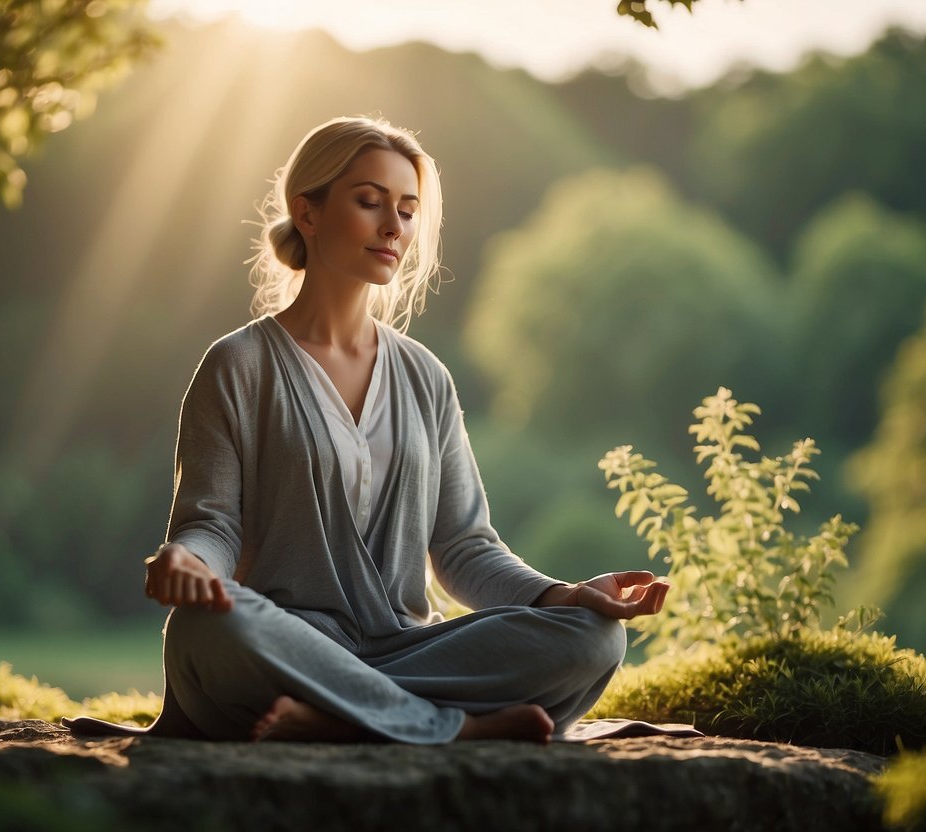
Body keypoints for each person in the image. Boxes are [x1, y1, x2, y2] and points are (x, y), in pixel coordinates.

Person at [141, 116, 669, 744]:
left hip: (407, 646)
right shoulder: (238, 365)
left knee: (596, 635)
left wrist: (565, 596)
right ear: (307, 212)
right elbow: (214, 525)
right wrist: (187, 559)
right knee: (209, 628)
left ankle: (337, 717)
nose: (394, 226)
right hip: (286, 640)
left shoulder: (426, 376)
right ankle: (450, 725)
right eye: (369, 202)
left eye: (408, 210)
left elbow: (464, 547)